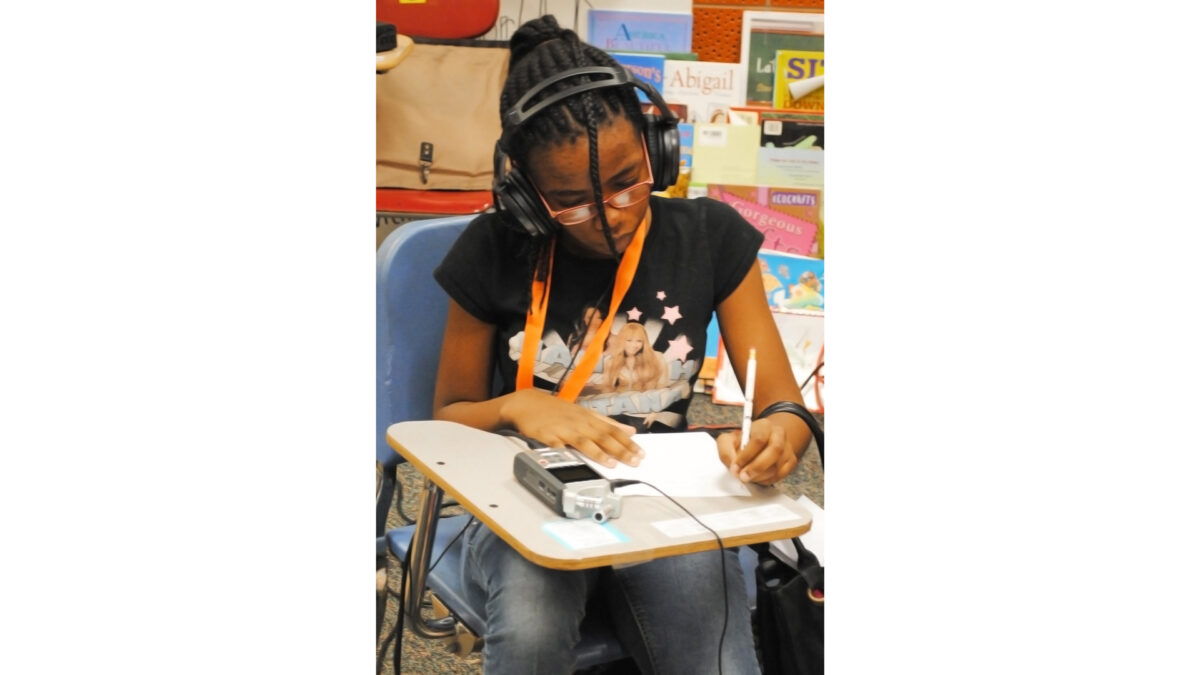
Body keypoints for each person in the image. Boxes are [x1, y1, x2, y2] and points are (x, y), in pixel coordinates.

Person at [431, 15, 812, 675]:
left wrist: (779, 438)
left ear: (655, 148)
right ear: (526, 197)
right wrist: (517, 405)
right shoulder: (492, 248)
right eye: (572, 202)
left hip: (661, 498)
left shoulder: (712, 237)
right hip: (523, 497)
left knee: (712, 644)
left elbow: (784, 405)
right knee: (532, 622)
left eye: (628, 180)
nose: (611, 216)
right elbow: (445, 419)